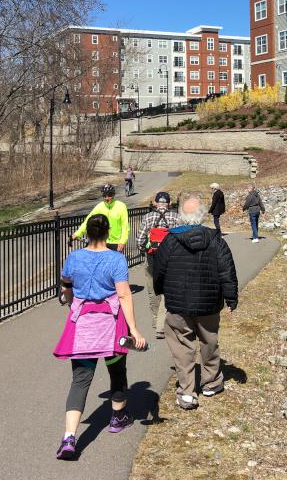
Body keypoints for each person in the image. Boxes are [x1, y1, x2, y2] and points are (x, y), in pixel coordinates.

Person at [53, 214, 146, 460]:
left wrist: (72, 303)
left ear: (88, 234)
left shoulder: (74, 257)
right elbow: (124, 295)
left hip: (83, 325)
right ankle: (117, 418)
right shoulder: (116, 259)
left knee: (80, 380)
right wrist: (134, 329)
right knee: (116, 370)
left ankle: (69, 438)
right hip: (110, 325)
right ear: (107, 233)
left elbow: (66, 287)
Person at [153, 194, 238, 410]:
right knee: (209, 341)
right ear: (202, 216)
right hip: (208, 303)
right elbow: (227, 270)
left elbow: (159, 271)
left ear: (182, 216)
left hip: (178, 304)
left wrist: (160, 290)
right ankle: (210, 382)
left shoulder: (170, 240)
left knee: (182, 347)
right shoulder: (215, 240)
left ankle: (187, 391)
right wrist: (231, 298)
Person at [136, 191, 180, 339]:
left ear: (155, 203)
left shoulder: (148, 217)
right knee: (168, 290)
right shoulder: (176, 217)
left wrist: (146, 251)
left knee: (153, 290)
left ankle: (157, 322)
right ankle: (164, 323)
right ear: (168, 203)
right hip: (171, 259)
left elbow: (140, 240)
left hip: (152, 259)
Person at [73, 184, 129, 252]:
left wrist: (123, 241)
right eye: (104, 196)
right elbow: (88, 221)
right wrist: (78, 233)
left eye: (109, 195)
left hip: (116, 243)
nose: (107, 198)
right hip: (101, 242)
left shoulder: (121, 206)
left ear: (113, 195)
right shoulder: (99, 206)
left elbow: (125, 226)